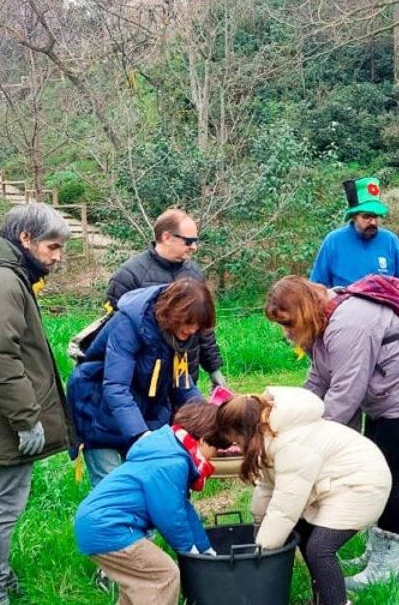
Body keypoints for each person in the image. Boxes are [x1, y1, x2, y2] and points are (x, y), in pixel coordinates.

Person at [263, 275, 399, 590]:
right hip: (384, 395)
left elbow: (346, 393)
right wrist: (288, 416)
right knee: (375, 467)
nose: (287, 332)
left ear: (304, 310)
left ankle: (386, 567)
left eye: (288, 323)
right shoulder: (322, 320)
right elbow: (319, 381)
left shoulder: (348, 325)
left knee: (389, 477)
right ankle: (375, 553)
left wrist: (310, 443)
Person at [0, 204, 74, 605]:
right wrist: (25, 419)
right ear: (25, 238)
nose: (57, 257)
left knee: (1, 500)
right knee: (3, 506)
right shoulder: (2, 281)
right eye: (53, 247)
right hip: (4, 419)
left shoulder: (1, 275)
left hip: (0, 413)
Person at [185, 387, 391, 605]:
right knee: (301, 529)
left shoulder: (292, 444)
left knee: (319, 549)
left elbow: (285, 506)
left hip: (361, 486)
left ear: (246, 430)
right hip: (333, 484)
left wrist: (259, 553)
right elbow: (267, 487)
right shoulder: (268, 433)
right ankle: (322, 596)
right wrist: (258, 525)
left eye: (236, 440)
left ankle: (336, 601)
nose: (236, 447)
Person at [67, 279, 215, 487]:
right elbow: (116, 387)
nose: (193, 330)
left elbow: (182, 385)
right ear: (173, 313)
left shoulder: (177, 336)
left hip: (141, 408)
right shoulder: (129, 324)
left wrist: (210, 419)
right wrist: (141, 435)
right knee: (113, 490)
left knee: (147, 486)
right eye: (190, 323)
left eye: (198, 326)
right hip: (97, 409)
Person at [72, 413, 215, 605]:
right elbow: (170, 515)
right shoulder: (172, 463)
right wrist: (188, 548)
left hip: (97, 524)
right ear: (203, 441)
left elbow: (183, 509)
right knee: (164, 576)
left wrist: (205, 548)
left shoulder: (167, 450)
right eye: (216, 448)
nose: (215, 455)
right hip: (110, 527)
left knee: (140, 584)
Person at [106, 209, 227, 395]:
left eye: (196, 241)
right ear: (167, 237)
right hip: (144, 385)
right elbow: (115, 337)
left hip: (184, 382)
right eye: (189, 241)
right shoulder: (129, 276)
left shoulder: (194, 274)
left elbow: (203, 329)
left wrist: (214, 369)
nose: (194, 247)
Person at [309, 177, 399, 288]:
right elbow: (317, 288)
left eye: (375, 216)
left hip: (384, 304)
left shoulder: (390, 241)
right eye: (366, 216)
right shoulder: (333, 241)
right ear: (353, 216)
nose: (373, 222)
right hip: (344, 304)